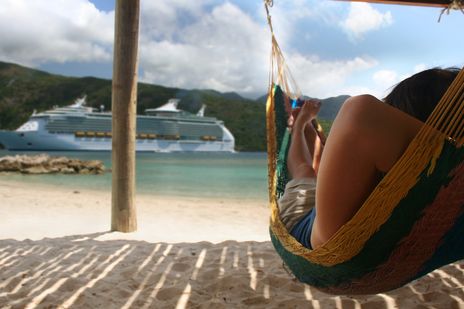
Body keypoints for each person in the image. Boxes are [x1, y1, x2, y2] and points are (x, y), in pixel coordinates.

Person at [278, 67, 460, 250]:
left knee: (305, 170)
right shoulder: (449, 178)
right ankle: (304, 125)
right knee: (315, 167)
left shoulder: (372, 125)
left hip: (304, 223)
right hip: (324, 211)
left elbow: (361, 111)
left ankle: (300, 125)